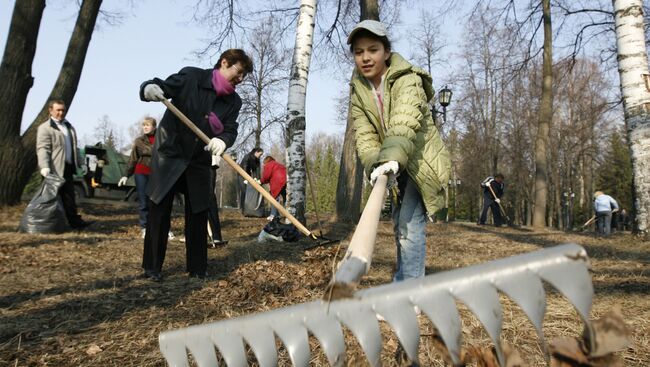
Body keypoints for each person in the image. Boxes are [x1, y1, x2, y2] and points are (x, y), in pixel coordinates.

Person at [348, 20, 451, 282]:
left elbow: (404, 121)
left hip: (420, 162)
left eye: (373, 49)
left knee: (409, 223)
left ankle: (409, 292)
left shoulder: (407, 79)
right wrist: (375, 164)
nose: (366, 57)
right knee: (399, 224)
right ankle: (405, 281)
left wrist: (390, 158)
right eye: (359, 52)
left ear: (386, 51)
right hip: (394, 163)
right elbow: (365, 134)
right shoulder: (359, 89)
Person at [138, 48, 253, 281]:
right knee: (159, 210)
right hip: (170, 154)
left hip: (199, 160)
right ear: (224, 63)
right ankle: (152, 268)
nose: (240, 80)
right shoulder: (192, 77)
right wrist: (148, 88)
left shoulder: (233, 101)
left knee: (199, 212)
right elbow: (160, 86)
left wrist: (223, 140)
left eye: (243, 76)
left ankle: (198, 268)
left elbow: (230, 129)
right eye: (238, 72)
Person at [36, 99, 93, 230]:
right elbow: (43, 148)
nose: (61, 113)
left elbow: (75, 148)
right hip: (52, 169)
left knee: (69, 198)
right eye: (58, 110)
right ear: (50, 110)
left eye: (63, 110)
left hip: (67, 168)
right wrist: (44, 166)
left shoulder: (69, 127)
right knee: (51, 199)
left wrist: (82, 163)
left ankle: (74, 223)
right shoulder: (45, 128)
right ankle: (49, 224)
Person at [118, 117, 174, 240]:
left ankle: (165, 229)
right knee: (144, 202)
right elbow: (133, 158)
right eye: (144, 125)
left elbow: (168, 156)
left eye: (148, 125)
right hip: (141, 173)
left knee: (158, 202)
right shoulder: (139, 141)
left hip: (156, 174)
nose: (145, 127)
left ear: (154, 127)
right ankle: (144, 228)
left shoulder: (162, 138)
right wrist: (126, 175)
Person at [260, 156, 287, 221]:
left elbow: (266, 176)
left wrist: (260, 181)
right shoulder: (279, 164)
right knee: (286, 198)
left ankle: (273, 215)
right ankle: (288, 214)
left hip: (277, 182)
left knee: (274, 199)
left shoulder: (268, 165)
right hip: (286, 181)